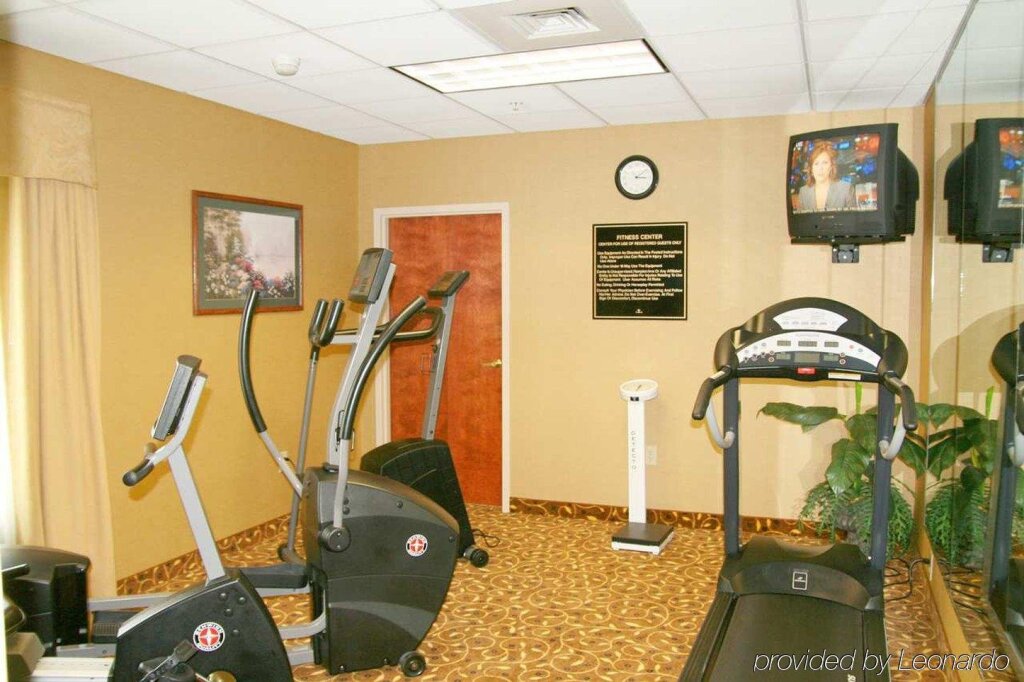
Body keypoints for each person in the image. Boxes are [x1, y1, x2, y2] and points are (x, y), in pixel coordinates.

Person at [797, 141, 856, 211]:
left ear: (831, 166)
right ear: (811, 169)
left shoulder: (846, 189)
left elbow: (852, 217)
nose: (820, 168)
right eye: (816, 163)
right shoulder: (803, 192)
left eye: (825, 163)